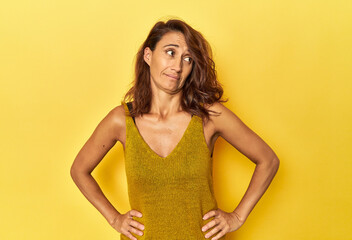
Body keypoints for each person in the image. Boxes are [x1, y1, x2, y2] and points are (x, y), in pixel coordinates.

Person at [70, 18, 280, 240]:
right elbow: (79, 170)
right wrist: (114, 218)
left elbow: (268, 160)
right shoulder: (121, 120)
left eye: (187, 59)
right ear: (148, 56)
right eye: (170, 52)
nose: (178, 66)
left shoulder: (209, 116)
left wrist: (237, 217)